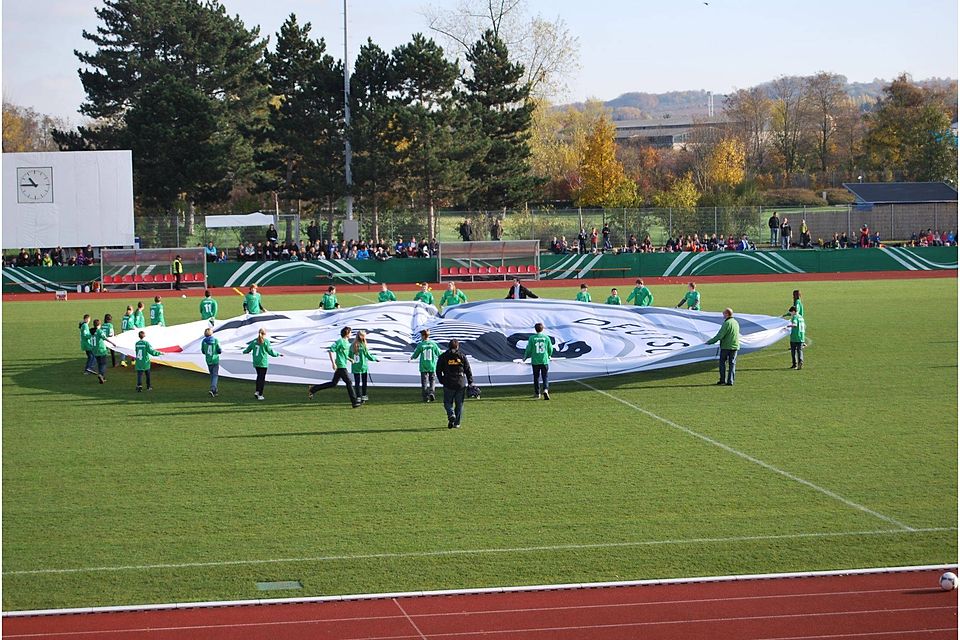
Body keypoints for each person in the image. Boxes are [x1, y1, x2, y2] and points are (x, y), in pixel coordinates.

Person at [308, 326, 360, 408]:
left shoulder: (347, 343)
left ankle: (313, 389)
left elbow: (343, 354)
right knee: (349, 382)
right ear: (347, 334)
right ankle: (354, 402)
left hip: (343, 365)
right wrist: (333, 363)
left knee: (333, 383)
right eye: (350, 332)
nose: (351, 334)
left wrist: (350, 359)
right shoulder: (340, 341)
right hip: (340, 365)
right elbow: (331, 350)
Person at [436, 339, 474, 429]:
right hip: (460, 382)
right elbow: (468, 370)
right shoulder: (462, 356)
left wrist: (441, 380)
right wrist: (470, 382)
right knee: (459, 403)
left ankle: (451, 414)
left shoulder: (443, 356)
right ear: (457, 347)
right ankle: (457, 423)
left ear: (448, 346)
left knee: (447, 402)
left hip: (448, 382)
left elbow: (438, 370)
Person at [242, 328, 282, 401]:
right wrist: (278, 354)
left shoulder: (254, 341)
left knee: (258, 377)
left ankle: (257, 391)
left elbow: (248, 349)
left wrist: (243, 352)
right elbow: (270, 352)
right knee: (262, 379)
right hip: (263, 362)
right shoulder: (266, 342)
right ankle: (260, 394)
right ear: (265, 334)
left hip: (256, 362)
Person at [706, 308, 740, 386]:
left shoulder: (727, 323)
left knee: (722, 363)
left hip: (726, 346)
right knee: (732, 364)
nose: (723, 315)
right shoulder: (735, 322)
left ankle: (722, 380)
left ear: (727, 314)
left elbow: (720, 335)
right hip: (735, 346)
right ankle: (730, 381)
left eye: (724, 314)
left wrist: (710, 342)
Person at [522, 322, 554, 400]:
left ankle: (537, 393)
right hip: (544, 360)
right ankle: (545, 390)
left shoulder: (532, 338)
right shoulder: (546, 338)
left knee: (536, 377)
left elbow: (529, 349)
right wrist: (549, 355)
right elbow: (550, 348)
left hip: (535, 360)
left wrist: (525, 357)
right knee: (545, 376)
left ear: (535, 329)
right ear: (542, 329)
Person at [410, 328, 441, 402]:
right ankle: (432, 392)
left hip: (423, 366)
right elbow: (439, 353)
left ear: (423, 336)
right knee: (432, 381)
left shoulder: (421, 345)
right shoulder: (433, 344)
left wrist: (412, 357)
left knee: (424, 382)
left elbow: (416, 354)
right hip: (432, 365)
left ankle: (425, 397)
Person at [350, 330, 379, 403]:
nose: (364, 337)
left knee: (359, 382)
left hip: (359, 366)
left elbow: (366, 354)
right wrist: (374, 359)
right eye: (363, 335)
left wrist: (374, 359)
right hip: (361, 366)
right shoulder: (357, 345)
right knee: (362, 382)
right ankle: (361, 396)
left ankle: (361, 396)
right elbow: (367, 355)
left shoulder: (355, 344)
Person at [200, 327, 222, 397]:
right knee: (215, 375)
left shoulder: (203, 341)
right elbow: (219, 350)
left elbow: (203, 351)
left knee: (212, 375)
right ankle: (213, 389)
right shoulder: (215, 340)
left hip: (208, 360)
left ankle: (215, 390)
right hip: (215, 359)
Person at [787, 305, 806, 370]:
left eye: (791, 312)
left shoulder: (795, 317)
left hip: (794, 337)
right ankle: (800, 362)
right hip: (801, 337)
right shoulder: (801, 317)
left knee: (793, 351)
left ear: (794, 311)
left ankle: (794, 364)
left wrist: (788, 326)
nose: (791, 314)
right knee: (799, 351)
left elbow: (795, 325)